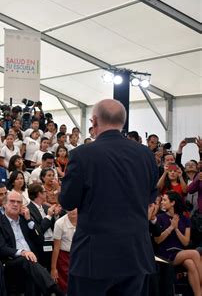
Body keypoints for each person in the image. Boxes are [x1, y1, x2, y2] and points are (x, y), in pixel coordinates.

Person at [59, 99, 159, 295]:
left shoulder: (82, 155)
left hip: (93, 257)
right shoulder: (146, 155)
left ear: (94, 121)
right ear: (123, 121)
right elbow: (149, 197)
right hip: (135, 254)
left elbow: (68, 201)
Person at [0, 191, 64, 296]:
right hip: (11, 262)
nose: (15, 204)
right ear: (4, 204)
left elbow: (40, 239)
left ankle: (51, 290)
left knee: (31, 274)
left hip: (32, 262)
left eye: (19, 202)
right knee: (27, 260)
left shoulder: (25, 220)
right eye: (12, 201)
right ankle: (56, 290)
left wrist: (29, 219)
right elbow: (1, 248)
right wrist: (23, 252)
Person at [155, 191, 202, 295]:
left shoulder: (185, 219)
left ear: (173, 203)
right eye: (162, 200)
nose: (162, 202)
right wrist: (171, 227)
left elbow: (185, 242)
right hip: (166, 254)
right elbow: (157, 240)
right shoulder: (159, 218)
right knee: (194, 253)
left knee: (190, 263)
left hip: (180, 253)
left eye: (164, 200)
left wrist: (176, 229)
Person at [51, 209, 77, 293]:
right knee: (66, 285)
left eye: (75, 208)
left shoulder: (84, 220)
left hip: (80, 256)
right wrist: (53, 268)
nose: (73, 211)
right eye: (70, 208)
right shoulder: (59, 223)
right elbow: (56, 248)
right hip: (64, 257)